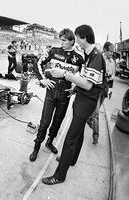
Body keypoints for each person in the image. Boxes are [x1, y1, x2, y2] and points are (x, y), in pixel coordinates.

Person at [42, 24, 106, 185]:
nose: (76, 40)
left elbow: (89, 85)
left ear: (84, 38)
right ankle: (70, 160)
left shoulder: (96, 56)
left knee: (70, 138)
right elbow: (85, 81)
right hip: (82, 99)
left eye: (77, 37)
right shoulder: (89, 54)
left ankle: (59, 175)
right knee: (78, 135)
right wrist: (75, 88)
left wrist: (65, 74)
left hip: (86, 102)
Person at [29, 28, 84, 162]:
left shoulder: (79, 58)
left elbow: (83, 77)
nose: (61, 43)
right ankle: (36, 146)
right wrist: (42, 80)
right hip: (52, 90)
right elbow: (37, 62)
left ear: (72, 41)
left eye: (64, 40)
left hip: (65, 93)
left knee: (57, 122)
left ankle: (49, 141)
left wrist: (75, 88)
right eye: (60, 40)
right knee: (45, 121)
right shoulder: (53, 50)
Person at [87, 42, 115, 144]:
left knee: (94, 112)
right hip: (97, 90)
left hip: (105, 90)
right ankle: (96, 136)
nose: (112, 53)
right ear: (105, 50)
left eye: (113, 51)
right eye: (110, 51)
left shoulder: (112, 62)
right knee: (96, 114)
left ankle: (89, 120)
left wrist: (109, 79)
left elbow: (112, 76)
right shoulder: (98, 59)